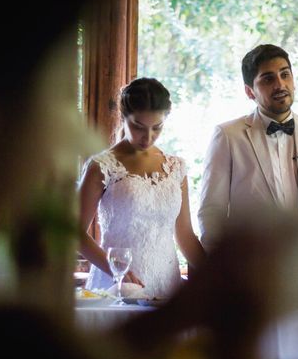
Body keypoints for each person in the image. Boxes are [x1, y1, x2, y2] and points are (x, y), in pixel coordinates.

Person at [198, 44, 298, 250]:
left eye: (285, 75)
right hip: (250, 267)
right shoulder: (228, 136)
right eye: (268, 79)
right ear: (249, 91)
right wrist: (224, 271)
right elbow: (211, 212)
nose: (280, 85)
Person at [78, 77, 205, 296]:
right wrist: (115, 269)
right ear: (123, 116)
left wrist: (217, 276)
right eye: (138, 127)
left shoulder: (176, 167)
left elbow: (185, 235)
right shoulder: (102, 166)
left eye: (157, 128)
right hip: (114, 282)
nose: (148, 137)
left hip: (167, 284)